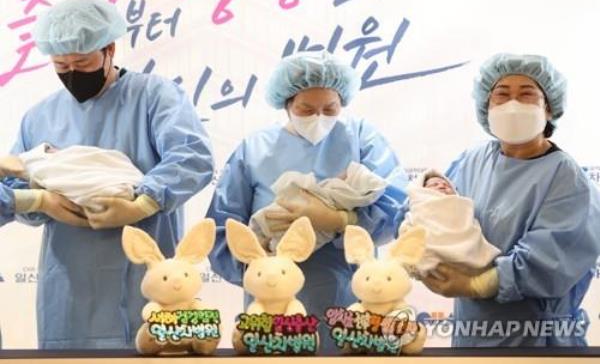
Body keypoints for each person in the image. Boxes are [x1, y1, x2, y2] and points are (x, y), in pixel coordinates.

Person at [2, 0, 214, 349]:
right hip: (70, 286)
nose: (71, 72)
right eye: (61, 64)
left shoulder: (154, 96)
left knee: (150, 343)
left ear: (110, 49)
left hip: (149, 277)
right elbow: (13, 187)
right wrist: (40, 200)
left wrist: (144, 201)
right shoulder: (39, 117)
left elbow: (193, 157)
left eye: (82, 62)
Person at [206, 50, 409, 351]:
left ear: (343, 103)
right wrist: (257, 263)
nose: (318, 118)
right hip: (272, 302)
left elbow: (394, 207)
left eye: (330, 109)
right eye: (306, 109)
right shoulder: (255, 149)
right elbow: (223, 227)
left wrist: (343, 221)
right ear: (286, 104)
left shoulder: (361, 138)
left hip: (348, 298)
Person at [421, 53, 600, 346]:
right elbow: (440, 215)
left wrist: (478, 283)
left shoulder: (566, 178)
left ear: (550, 109)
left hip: (533, 339)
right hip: (471, 334)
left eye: (526, 95)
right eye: (501, 96)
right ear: (486, 107)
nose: (512, 105)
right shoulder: (472, 161)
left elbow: (549, 261)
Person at [399, 169, 500, 279]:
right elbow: (408, 228)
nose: (442, 186)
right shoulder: (421, 206)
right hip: (432, 251)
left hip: (466, 250)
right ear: (422, 192)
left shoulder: (460, 204)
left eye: (446, 185)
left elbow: (470, 226)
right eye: (434, 185)